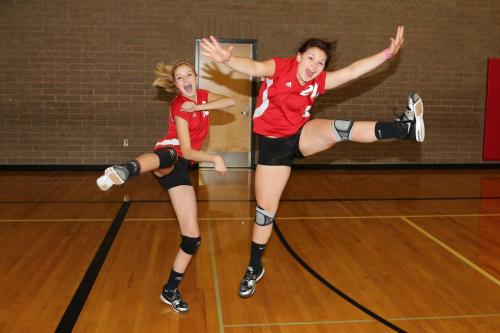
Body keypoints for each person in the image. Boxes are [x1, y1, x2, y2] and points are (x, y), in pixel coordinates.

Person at [201, 26, 424, 298]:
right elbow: (254, 67)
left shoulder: (318, 82)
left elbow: (353, 71)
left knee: (339, 129)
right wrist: (227, 60)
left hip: (301, 135)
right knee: (264, 213)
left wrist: (388, 53)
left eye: (320, 63)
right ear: (298, 57)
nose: (315, 66)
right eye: (311, 59)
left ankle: (405, 129)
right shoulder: (280, 67)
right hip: (273, 151)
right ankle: (254, 266)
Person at [96, 61, 235, 312]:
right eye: (180, 78)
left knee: (192, 239)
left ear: (195, 77)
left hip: (183, 172)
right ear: (176, 85)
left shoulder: (202, 96)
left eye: (188, 75)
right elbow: (189, 150)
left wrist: (202, 105)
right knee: (169, 156)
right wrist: (214, 158)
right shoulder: (179, 106)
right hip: (169, 156)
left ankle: (170, 290)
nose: (186, 80)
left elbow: (230, 102)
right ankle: (126, 169)